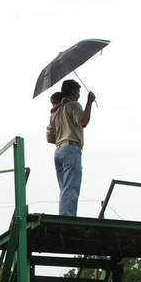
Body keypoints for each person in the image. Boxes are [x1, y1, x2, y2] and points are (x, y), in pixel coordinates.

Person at [46, 79, 95, 216]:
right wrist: (89, 102)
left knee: (64, 188)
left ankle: (64, 214)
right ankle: (67, 218)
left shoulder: (55, 112)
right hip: (71, 148)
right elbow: (83, 121)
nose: (79, 94)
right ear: (74, 92)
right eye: (78, 91)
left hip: (59, 150)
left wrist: (63, 134)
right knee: (71, 188)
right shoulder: (74, 105)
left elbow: (50, 138)